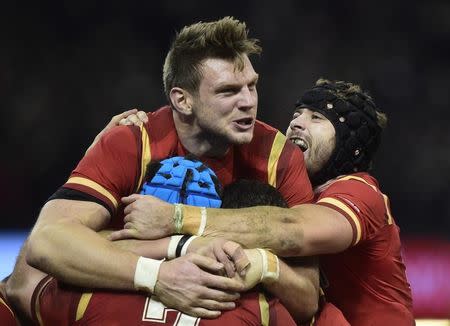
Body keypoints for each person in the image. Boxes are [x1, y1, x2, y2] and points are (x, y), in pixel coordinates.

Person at [8, 16, 316, 322]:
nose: (248, 101)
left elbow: (307, 299)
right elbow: (47, 242)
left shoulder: (279, 158)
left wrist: (262, 263)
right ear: (182, 100)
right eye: (228, 91)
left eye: (252, 86)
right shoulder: (132, 142)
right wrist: (157, 275)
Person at [109, 79, 414, 325]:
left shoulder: (360, 192)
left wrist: (176, 217)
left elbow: (291, 229)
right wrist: (121, 140)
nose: (296, 123)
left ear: (350, 145)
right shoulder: (285, 188)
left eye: (317, 118)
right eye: (297, 115)